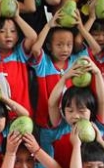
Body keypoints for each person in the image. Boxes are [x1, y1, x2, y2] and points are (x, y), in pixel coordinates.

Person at [28, 10, 98, 150]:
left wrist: (81, 28)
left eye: (69, 44)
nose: (65, 49)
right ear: (49, 47)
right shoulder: (44, 64)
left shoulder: (76, 61)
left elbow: (95, 49)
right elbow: (36, 49)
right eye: (59, 45)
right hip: (47, 125)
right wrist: (48, 26)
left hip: (71, 123)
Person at [0, 0, 38, 115]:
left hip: (22, 114)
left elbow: (32, 37)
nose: (8, 35)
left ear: (17, 37)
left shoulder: (19, 54)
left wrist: (16, 16)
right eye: (1, 31)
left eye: (13, 31)